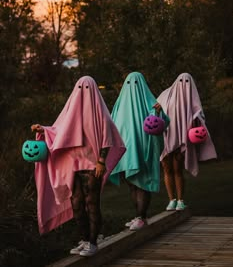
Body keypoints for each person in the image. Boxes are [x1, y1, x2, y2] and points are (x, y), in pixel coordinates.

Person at [31, 76, 126, 257]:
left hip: (93, 164)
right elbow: (59, 130)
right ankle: (84, 239)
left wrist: (101, 161)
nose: (84, 91)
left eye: (87, 87)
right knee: (76, 203)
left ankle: (93, 241)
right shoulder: (71, 112)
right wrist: (43, 129)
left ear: (94, 90)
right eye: (81, 87)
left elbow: (108, 138)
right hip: (73, 164)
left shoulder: (101, 112)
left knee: (92, 202)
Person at [109, 72, 169, 230]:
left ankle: (141, 216)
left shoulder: (150, 102)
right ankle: (138, 216)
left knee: (142, 183)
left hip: (142, 149)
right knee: (132, 183)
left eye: (135, 83)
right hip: (126, 151)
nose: (131, 87)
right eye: (128, 83)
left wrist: (157, 112)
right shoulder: (120, 104)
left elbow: (161, 122)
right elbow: (111, 122)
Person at [154, 73, 217, 211]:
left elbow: (199, 114)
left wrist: (197, 118)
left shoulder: (192, 100)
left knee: (178, 169)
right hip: (166, 136)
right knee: (167, 168)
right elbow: (155, 113)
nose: (184, 83)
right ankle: (171, 199)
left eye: (187, 81)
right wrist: (158, 110)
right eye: (181, 80)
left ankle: (180, 200)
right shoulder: (165, 96)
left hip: (182, 138)